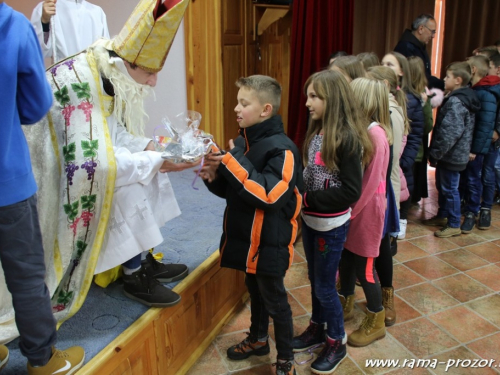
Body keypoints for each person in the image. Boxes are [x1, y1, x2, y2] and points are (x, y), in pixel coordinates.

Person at [0, 0, 192, 345]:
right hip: (46, 165)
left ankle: (142, 259)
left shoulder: (104, 66)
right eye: (148, 72)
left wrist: (151, 148)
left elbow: (109, 133)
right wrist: (158, 161)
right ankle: (133, 274)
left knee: (146, 167)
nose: (152, 82)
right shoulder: (82, 81)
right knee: (127, 184)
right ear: (128, 62)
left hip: (73, 154)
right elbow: (98, 165)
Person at [0, 2, 84, 374]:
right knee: (26, 273)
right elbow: (35, 106)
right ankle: (43, 359)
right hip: (6, 179)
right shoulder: (13, 26)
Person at [200, 75, 303, 375]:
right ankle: (258, 339)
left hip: (269, 242)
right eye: (237, 101)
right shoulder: (247, 143)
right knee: (254, 292)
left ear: (265, 110)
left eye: (244, 103)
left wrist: (231, 162)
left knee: (275, 301)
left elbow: (269, 195)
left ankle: (286, 360)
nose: (236, 108)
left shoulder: (282, 150)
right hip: (250, 242)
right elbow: (241, 193)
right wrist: (215, 179)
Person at [291, 70, 368, 374]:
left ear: (333, 100)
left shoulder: (347, 139)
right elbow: (312, 174)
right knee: (316, 279)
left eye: (315, 96)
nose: (307, 102)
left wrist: (306, 199)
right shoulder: (318, 131)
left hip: (330, 226)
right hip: (311, 221)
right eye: (308, 95)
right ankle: (317, 327)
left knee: (325, 286)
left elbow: (350, 191)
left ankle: (337, 340)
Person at [339, 78, 391, 347]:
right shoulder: (362, 131)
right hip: (355, 209)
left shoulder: (376, 135)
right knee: (346, 259)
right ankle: (345, 304)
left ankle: (376, 319)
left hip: (366, 210)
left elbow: (371, 184)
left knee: (365, 267)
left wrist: (351, 212)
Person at [367, 66, 410, 326]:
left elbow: (387, 164)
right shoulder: (377, 111)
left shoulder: (390, 113)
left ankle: (387, 298)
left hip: (383, 192)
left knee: (382, 249)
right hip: (377, 191)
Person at [423, 62, 480, 237]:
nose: (443, 79)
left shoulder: (457, 101)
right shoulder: (459, 97)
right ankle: (443, 215)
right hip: (452, 154)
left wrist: (435, 153)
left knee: (449, 189)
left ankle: (454, 223)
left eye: (447, 77)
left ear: (458, 80)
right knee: (443, 186)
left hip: (452, 155)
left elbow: (450, 133)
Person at [382, 52, 424, 240]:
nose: (384, 66)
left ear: (401, 71)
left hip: (400, 161)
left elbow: (415, 134)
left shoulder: (409, 99)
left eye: (390, 64)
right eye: (382, 63)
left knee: (401, 193)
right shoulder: (380, 95)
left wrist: (405, 161)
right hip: (388, 160)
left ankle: (399, 222)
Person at [460, 55, 500, 233]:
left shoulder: (491, 90)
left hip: (489, 141)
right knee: (473, 176)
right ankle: (471, 209)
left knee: (486, 174)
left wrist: (497, 130)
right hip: (477, 139)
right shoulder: (475, 88)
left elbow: (488, 119)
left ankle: (484, 210)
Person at [31, 0, 109, 62]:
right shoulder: (48, 7)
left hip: (94, 79)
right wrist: (44, 21)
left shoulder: (97, 12)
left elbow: (106, 55)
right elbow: (37, 52)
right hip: (64, 77)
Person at [394, 14, 443, 90]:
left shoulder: (419, 45)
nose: (433, 36)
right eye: (432, 32)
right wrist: (443, 84)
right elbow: (416, 77)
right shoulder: (406, 47)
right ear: (421, 29)